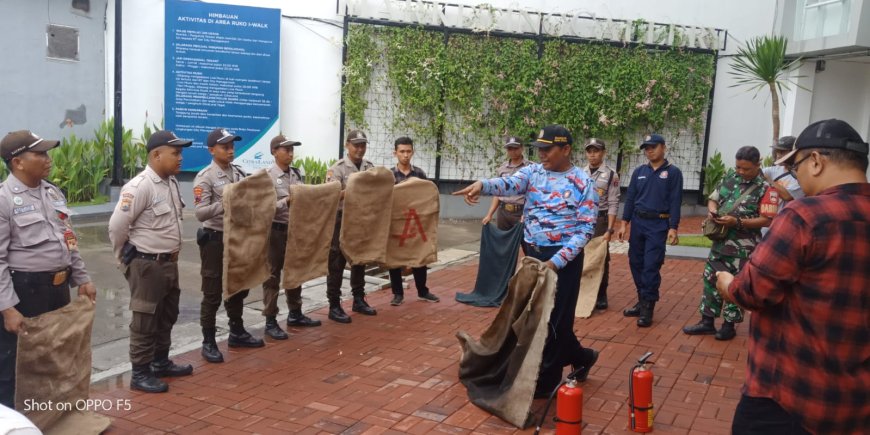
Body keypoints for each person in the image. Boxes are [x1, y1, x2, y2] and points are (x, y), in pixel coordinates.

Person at [716, 119, 870, 434]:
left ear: (816, 162)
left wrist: (727, 284)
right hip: (856, 405)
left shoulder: (805, 217)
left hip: (787, 400)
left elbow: (751, 292)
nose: (794, 174)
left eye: (795, 165)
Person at [454, 124, 599, 397]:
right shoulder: (533, 172)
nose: (542, 153)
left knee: (555, 321)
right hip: (534, 255)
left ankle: (546, 384)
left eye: (548, 149)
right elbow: (508, 184)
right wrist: (482, 185)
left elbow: (585, 230)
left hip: (562, 261)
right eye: (540, 148)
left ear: (566, 149)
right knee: (535, 316)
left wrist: (557, 262)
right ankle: (583, 357)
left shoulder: (582, 182)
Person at [0, 130, 96, 407]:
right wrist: (7, 308)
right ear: (18, 162)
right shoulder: (4, 199)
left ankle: (49, 417)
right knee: (15, 363)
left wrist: (82, 277)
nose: (47, 159)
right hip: (25, 292)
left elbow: (68, 236)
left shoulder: (52, 192)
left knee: (55, 356)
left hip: (58, 289)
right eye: (39, 153)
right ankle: (12, 423)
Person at [108, 130, 194, 393]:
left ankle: (160, 362)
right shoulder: (140, 186)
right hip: (147, 265)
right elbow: (117, 225)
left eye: (180, 153)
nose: (180, 158)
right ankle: (140, 373)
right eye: (175, 153)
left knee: (167, 315)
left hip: (169, 263)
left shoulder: (170, 183)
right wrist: (123, 256)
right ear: (156, 155)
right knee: (145, 320)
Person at [682, 146, 777, 341]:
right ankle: (707, 321)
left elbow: (767, 219)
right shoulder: (730, 177)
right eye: (738, 167)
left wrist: (738, 222)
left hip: (743, 248)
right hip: (720, 242)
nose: (741, 172)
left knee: (736, 284)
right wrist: (712, 211)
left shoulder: (767, 189)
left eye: (746, 169)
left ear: (758, 165)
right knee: (710, 279)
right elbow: (713, 198)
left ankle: (729, 325)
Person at [194, 128, 264, 363]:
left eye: (232, 145)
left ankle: (237, 332)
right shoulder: (205, 177)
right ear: (212, 150)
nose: (231, 150)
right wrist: (226, 203)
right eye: (225, 147)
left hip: (238, 237)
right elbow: (201, 213)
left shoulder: (240, 173)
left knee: (238, 285)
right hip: (215, 239)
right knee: (212, 291)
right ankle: (209, 341)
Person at [617, 134, 683, 327]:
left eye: (653, 147)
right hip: (638, 222)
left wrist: (673, 227)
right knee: (635, 261)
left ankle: (648, 308)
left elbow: (675, 201)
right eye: (646, 148)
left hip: (658, 224)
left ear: (664, 147)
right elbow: (630, 199)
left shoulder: (673, 173)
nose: (650, 150)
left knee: (651, 266)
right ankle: (641, 298)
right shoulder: (639, 171)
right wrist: (624, 223)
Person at [260, 134, 321, 341]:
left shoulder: (296, 174)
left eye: (292, 149)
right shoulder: (266, 176)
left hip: (295, 230)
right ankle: (270, 320)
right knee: (272, 276)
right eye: (286, 149)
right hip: (275, 231)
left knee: (296, 270)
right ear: (274, 151)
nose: (290, 153)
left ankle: (295, 313)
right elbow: (264, 208)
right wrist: (285, 201)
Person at [324, 130, 377, 323]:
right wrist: (353, 189)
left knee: (359, 260)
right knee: (336, 262)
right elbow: (331, 195)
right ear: (347, 145)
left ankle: (358, 299)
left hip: (361, 218)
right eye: (356, 145)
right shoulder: (337, 169)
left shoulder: (369, 167)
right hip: (341, 219)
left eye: (363, 145)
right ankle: (334, 305)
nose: (360, 149)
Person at [387, 136, 440, 306]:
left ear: (413, 152)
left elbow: (426, 198)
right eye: (402, 151)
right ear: (395, 153)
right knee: (394, 258)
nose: (405, 155)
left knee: (420, 255)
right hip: (395, 223)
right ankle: (397, 294)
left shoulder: (419, 174)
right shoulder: (389, 176)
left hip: (416, 223)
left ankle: (422, 291)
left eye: (408, 151)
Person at [582, 138, 620, 310]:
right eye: (589, 151)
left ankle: (601, 293)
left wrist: (610, 229)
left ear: (603, 153)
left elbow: (613, 202)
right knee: (580, 255)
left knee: (601, 257)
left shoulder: (611, 174)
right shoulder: (580, 173)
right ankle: (582, 290)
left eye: (596, 151)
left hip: (600, 220)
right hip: (582, 220)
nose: (592, 155)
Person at [482, 136, 531, 230]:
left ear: (522, 148)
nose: (513, 151)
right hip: (503, 212)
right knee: (503, 242)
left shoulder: (530, 168)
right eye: (509, 148)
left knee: (524, 243)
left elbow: (533, 193)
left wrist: (527, 213)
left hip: (521, 212)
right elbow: (497, 193)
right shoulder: (502, 168)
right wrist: (489, 215)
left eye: (515, 148)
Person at [761, 136, 804, 236]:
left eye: (782, 152)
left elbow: (787, 196)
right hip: (765, 226)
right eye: (777, 152)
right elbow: (757, 173)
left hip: (785, 227)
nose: (779, 155)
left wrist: (769, 180)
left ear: (794, 153)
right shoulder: (775, 169)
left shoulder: (801, 175)